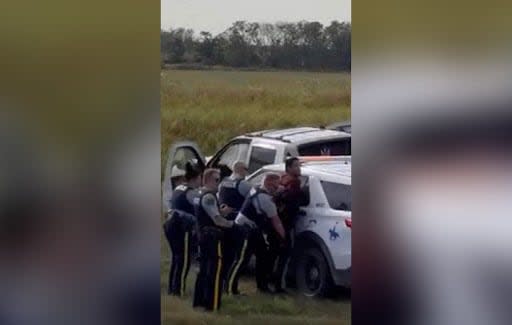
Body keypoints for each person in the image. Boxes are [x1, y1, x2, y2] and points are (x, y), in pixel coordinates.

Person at [226, 173, 286, 295]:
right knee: (242, 260)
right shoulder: (265, 200)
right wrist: (283, 237)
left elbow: (274, 189)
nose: (277, 188)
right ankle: (230, 289)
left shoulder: (257, 188)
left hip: (253, 230)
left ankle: (262, 287)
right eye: (275, 185)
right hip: (245, 230)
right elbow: (276, 222)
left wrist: (279, 189)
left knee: (263, 256)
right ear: (268, 183)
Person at [192, 168, 234, 312]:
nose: (219, 183)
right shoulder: (209, 196)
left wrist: (222, 211)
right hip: (212, 236)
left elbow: (208, 213)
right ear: (209, 179)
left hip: (201, 234)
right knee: (214, 271)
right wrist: (232, 224)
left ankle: (198, 302)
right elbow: (217, 220)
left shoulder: (199, 193)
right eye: (217, 180)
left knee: (203, 269)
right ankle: (213, 305)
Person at [163, 162, 202, 296]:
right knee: (184, 260)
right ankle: (178, 290)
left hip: (170, 224)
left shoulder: (179, 187)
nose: (201, 181)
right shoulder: (192, 193)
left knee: (177, 258)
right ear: (195, 178)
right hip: (182, 227)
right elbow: (200, 208)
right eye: (200, 178)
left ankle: (172, 288)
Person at [272, 157, 307, 293]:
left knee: (277, 253)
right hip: (286, 223)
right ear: (289, 168)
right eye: (296, 166)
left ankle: (275, 281)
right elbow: (294, 200)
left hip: (279, 221)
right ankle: (280, 285)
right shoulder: (293, 183)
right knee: (285, 254)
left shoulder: (282, 179)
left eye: (299, 166)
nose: (299, 169)